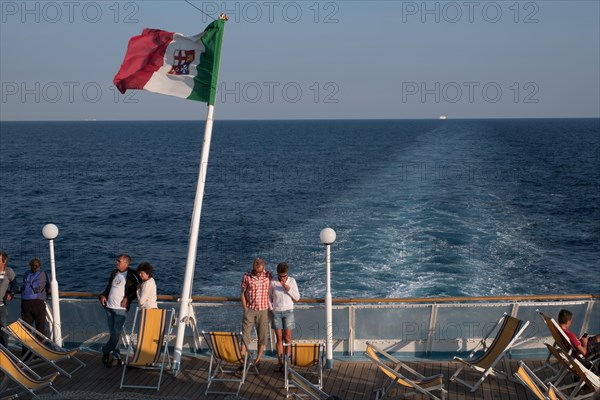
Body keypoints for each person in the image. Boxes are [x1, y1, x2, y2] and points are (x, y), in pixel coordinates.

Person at [99, 254, 139, 367]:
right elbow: (109, 287)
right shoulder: (114, 272)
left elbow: (137, 289)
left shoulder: (132, 275)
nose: (116, 262)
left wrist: (128, 297)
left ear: (126, 263)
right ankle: (116, 358)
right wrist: (103, 295)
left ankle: (105, 351)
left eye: (119, 261)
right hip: (109, 307)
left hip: (120, 309)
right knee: (113, 334)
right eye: (117, 260)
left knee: (116, 334)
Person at [241, 257, 272, 368]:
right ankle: (242, 359)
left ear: (263, 267)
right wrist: (245, 309)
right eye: (257, 272)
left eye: (260, 272)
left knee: (262, 336)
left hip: (263, 310)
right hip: (250, 309)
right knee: (245, 335)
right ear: (253, 268)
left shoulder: (268, 275)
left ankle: (257, 360)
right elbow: (243, 293)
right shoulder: (247, 276)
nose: (259, 274)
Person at [269, 262, 300, 372]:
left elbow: (297, 298)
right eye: (280, 276)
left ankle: (287, 362)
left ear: (287, 274)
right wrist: (271, 308)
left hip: (288, 312)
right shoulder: (273, 281)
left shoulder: (292, 281)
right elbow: (268, 296)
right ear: (278, 274)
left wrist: (287, 288)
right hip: (276, 312)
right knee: (279, 338)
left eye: (284, 276)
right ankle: (280, 362)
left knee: (287, 338)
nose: (282, 278)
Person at [21, 258, 50, 336]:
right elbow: (48, 287)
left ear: (30, 266)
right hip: (38, 303)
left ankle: (25, 347)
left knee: (26, 328)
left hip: (25, 303)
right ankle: (39, 346)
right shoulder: (43, 274)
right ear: (39, 265)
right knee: (40, 327)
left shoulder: (26, 274)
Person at [0, 251, 18, 347]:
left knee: (3, 331)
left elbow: (15, 286)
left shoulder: (8, 272)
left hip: (1, 307)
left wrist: (11, 293)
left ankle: (4, 353)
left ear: (4, 261)